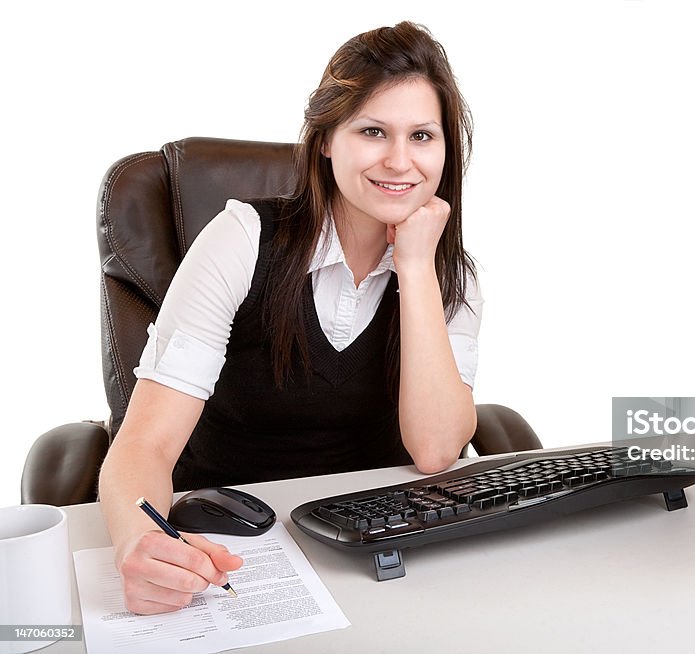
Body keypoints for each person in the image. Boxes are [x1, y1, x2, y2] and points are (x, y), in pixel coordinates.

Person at [98, 21, 481, 615]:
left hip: (380, 550)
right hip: (237, 549)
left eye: (423, 136)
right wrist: (139, 542)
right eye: (373, 131)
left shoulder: (451, 276)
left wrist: (414, 267)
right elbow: (142, 445)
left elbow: (433, 450)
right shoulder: (240, 240)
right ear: (326, 140)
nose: (400, 160)